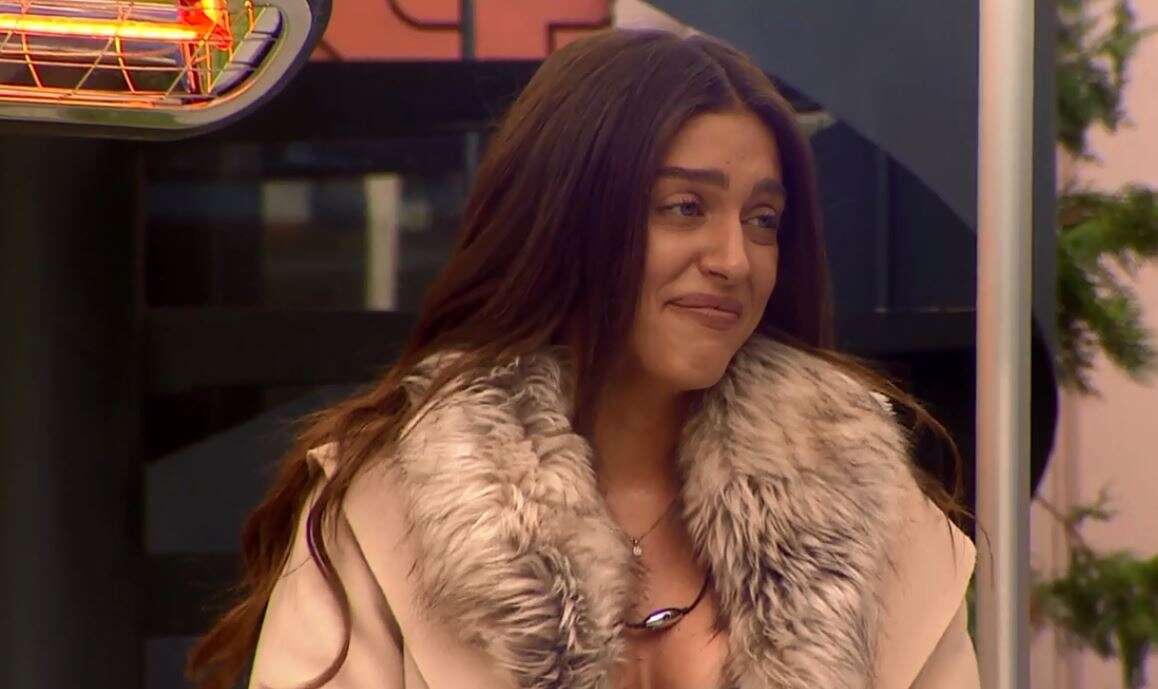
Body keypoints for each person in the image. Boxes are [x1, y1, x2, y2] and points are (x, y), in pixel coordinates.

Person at [188, 27, 980, 689]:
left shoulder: (877, 521)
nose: (734, 259)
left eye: (764, 219)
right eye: (685, 207)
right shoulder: (386, 507)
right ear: (568, 217)